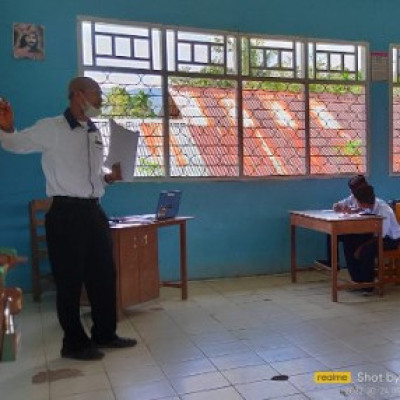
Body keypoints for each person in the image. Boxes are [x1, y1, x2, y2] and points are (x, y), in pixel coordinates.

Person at [0, 77, 137, 360]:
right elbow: (15, 144)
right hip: (66, 215)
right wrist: (7, 127)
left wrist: (108, 178)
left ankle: (104, 333)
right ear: (77, 94)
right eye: (95, 92)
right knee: (70, 280)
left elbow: (92, 176)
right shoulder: (52, 128)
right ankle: (73, 343)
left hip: (93, 212)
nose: (100, 98)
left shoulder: (93, 130)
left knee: (103, 276)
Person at [342, 184, 400, 295]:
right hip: (375, 235)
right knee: (349, 240)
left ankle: (368, 286)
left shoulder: (384, 209)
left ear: (363, 202)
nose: (357, 204)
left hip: (391, 239)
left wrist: (361, 247)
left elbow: (380, 235)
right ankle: (357, 280)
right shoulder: (369, 205)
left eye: (358, 202)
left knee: (366, 250)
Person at [316, 174, 368, 268]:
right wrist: (337, 206)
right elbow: (340, 204)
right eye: (351, 189)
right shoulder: (353, 197)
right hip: (354, 229)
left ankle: (355, 269)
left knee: (347, 239)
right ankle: (333, 263)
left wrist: (353, 211)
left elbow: (368, 213)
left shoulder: (369, 197)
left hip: (364, 232)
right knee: (331, 233)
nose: (352, 192)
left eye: (354, 189)